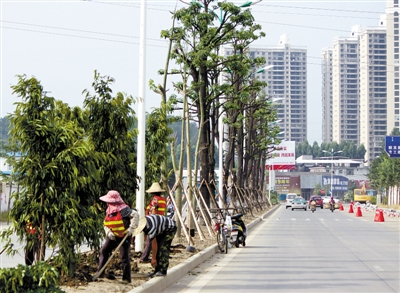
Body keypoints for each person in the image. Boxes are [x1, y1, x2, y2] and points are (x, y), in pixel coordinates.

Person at [96, 190, 144, 283]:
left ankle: (126, 278)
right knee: (104, 251)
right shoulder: (109, 210)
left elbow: (136, 215)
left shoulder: (124, 210)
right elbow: (106, 224)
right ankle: (100, 272)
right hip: (113, 236)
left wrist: (131, 228)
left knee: (124, 256)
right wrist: (108, 232)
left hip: (124, 236)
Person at [133, 214, 177, 278]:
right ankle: (157, 270)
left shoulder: (150, 227)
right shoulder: (145, 224)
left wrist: (153, 258)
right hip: (161, 230)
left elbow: (154, 244)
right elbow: (147, 238)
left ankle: (163, 270)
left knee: (163, 248)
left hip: (170, 228)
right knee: (158, 249)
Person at [138, 182, 167, 263]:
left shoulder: (155, 200)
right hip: (160, 221)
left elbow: (152, 210)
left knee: (149, 241)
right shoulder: (163, 200)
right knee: (157, 241)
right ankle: (156, 256)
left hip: (153, 221)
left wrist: (147, 218)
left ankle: (144, 257)